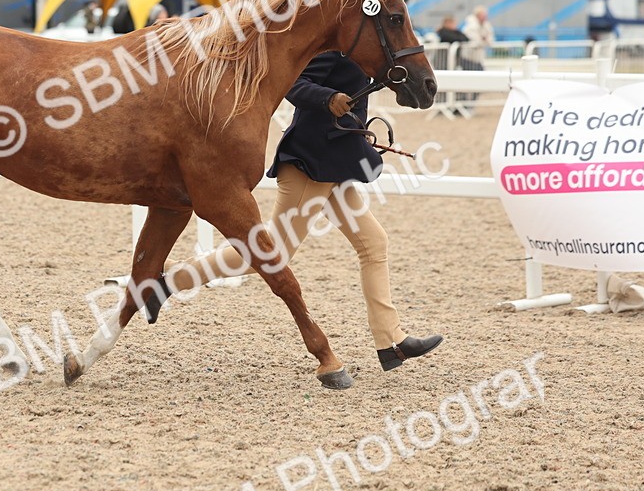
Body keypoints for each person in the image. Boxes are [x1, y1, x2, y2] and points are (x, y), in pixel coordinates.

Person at [145, 52, 443, 372]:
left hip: (335, 164)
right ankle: (173, 278)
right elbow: (293, 82)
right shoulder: (332, 47)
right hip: (310, 164)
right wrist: (328, 98)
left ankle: (391, 340)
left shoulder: (359, 48)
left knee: (374, 243)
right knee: (274, 253)